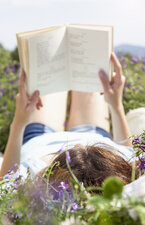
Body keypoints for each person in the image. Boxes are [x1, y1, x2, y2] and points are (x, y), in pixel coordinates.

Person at [0, 52, 134, 188]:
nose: (74, 144)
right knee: (93, 67)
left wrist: (19, 121)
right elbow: (128, 152)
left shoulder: (33, 174)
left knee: (50, 63)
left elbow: (5, 181)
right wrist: (116, 105)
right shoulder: (116, 174)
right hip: (94, 136)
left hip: (41, 137)